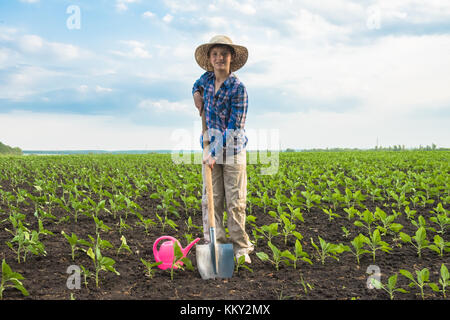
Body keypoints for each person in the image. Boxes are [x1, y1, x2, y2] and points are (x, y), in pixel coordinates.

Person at [192, 35, 254, 263]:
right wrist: (196, 96)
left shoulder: (238, 88)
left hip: (232, 152)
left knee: (235, 201)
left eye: (224, 54)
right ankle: (214, 244)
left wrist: (214, 153)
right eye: (215, 54)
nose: (219, 58)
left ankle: (240, 249)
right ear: (210, 58)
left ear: (231, 58)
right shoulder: (206, 80)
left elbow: (234, 128)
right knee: (211, 199)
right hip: (209, 149)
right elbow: (195, 86)